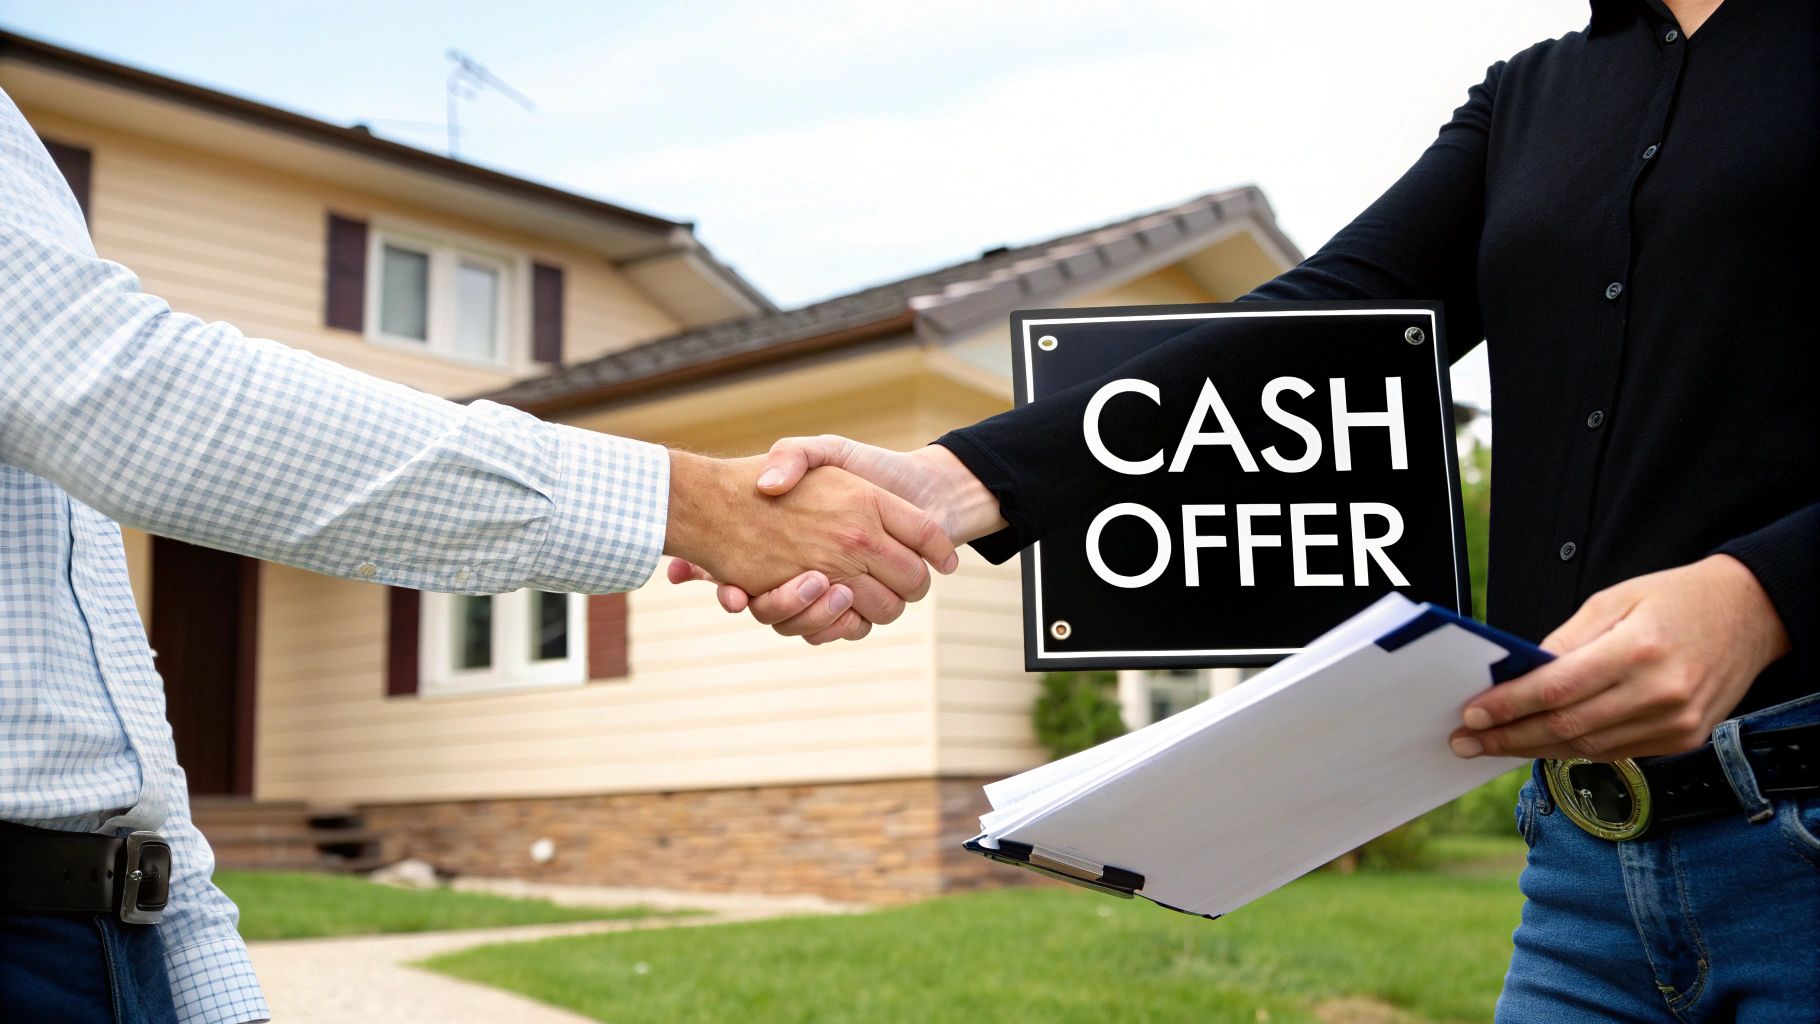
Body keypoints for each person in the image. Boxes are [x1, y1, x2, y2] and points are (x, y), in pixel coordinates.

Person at [676, 0, 1819, 1018]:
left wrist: (1762, 595)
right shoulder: (1532, 92)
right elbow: (1330, 318)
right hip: (1580, 862)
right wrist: (954, 479)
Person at [0, 89, 956, 1023]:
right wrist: (703, 508)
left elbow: (101, 683)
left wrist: (207, 974)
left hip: (100, 935)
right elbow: (117, 386)